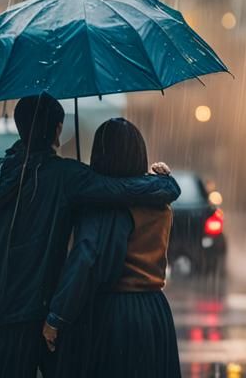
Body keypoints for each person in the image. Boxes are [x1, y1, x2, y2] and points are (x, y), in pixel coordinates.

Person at [0, 95, 180, 378]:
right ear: (58, 130)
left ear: (20, 126)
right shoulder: (65, 175)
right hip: (43, 304)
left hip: (3, 305)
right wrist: (164, 183)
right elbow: (120, 190)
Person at [42, 118, 181, 378]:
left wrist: (56, 317)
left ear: (100, 154)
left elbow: (85, 260)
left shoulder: (105, 206)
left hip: (116, 314)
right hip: (155, 310)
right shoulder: (160, 200)